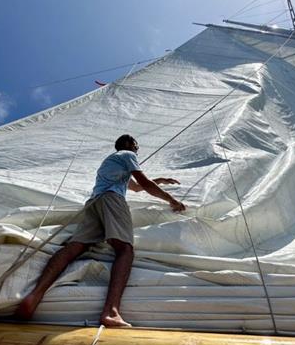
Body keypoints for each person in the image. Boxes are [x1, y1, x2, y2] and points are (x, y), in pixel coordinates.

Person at [14, 134, 186, 327]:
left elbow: (136, 188)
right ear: (130, 144)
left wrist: (160, 180)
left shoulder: (112, 164)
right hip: (112, 200)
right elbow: (144, 184)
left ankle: (34, 296)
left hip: (95, 202)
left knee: (73, 247)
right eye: (136, 146)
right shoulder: (127, 154)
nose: (137, 150)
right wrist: (172, 200)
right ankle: (111, 312)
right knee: (124, 249)